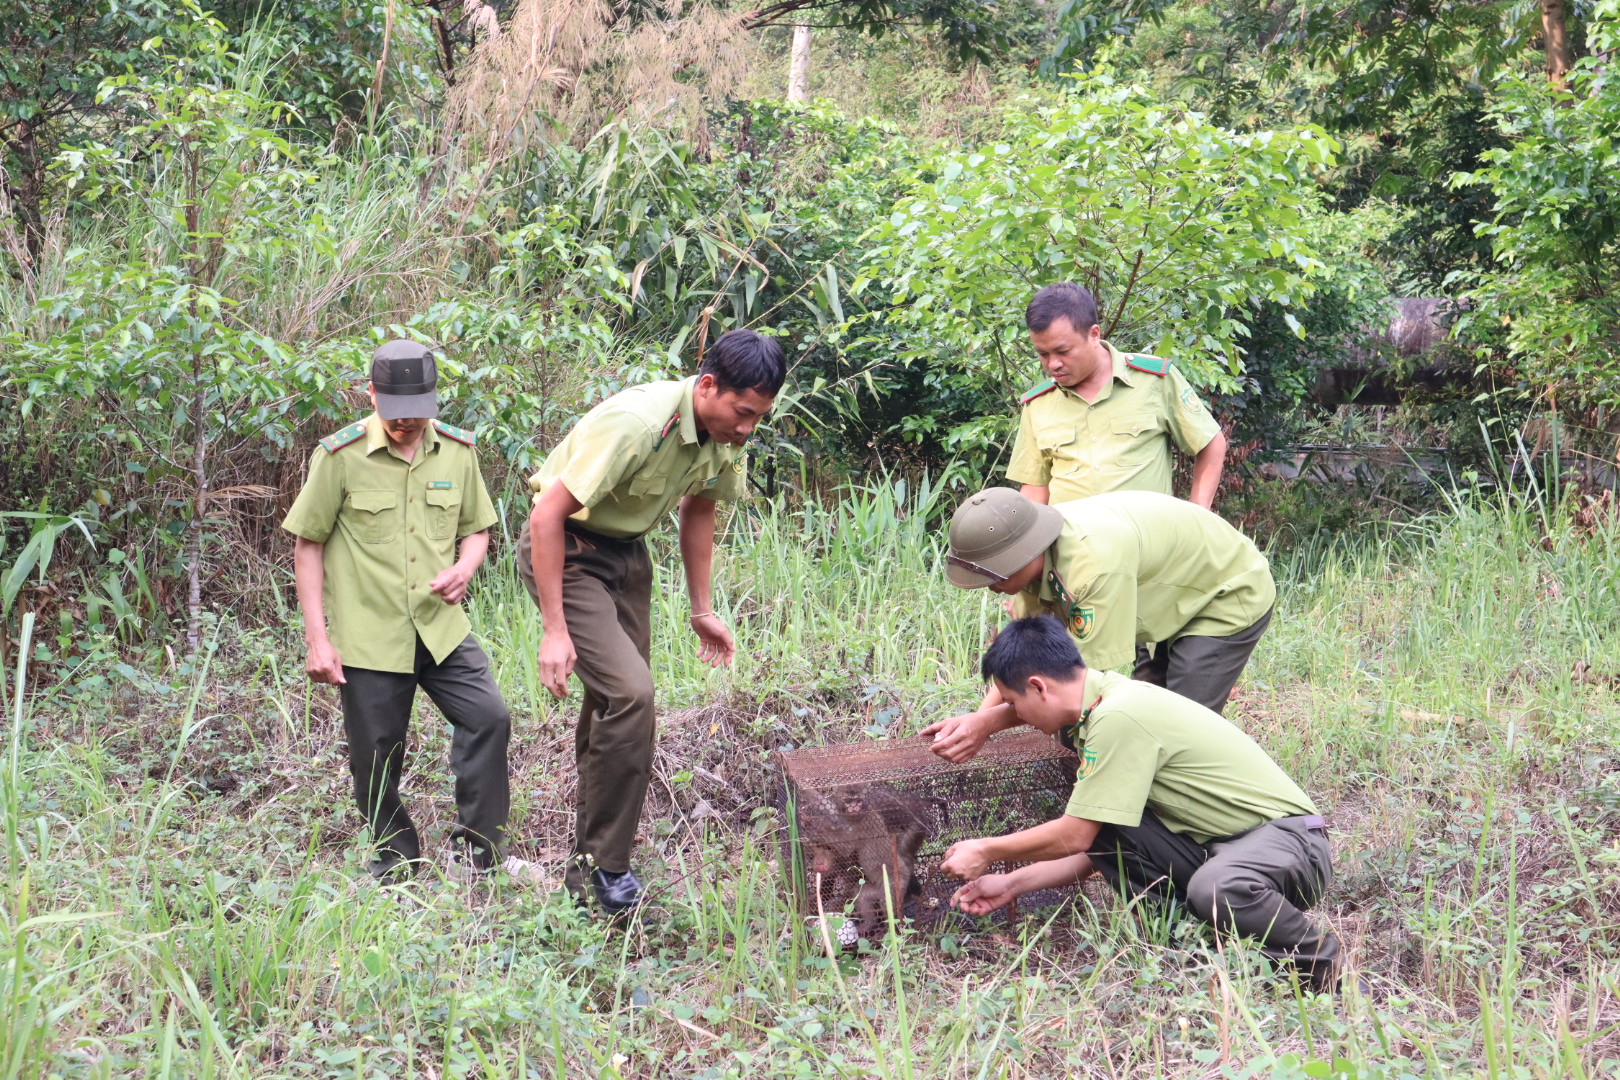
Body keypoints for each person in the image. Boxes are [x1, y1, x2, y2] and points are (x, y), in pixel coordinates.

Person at [518, 328, 785, 914]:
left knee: (612, 703)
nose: (746, 429)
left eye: (758, 418)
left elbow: (699, 511)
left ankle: (586, 864)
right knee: (633, 696)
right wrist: (555, 630)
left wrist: (702, 610)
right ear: (708, 385)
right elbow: (545, 515)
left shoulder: (723, 434)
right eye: (741, 412)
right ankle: (609, 871)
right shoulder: (638, 424)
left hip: (626, 558)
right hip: (569, 550)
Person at [939, 615, 1342, 991]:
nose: (1012, 713)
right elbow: (1096, 844)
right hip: (1227, 846)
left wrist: (986, 849)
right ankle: (1199, 956)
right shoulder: (1097, 710)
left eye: (1011, 701)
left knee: (1217, 887)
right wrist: (1011, 883)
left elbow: (1074, 836)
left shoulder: (1118, 716)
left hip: (1293, 845)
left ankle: (1326, 971)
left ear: (1039, 687)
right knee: (1109, 823)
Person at [283, 339, 535, 883]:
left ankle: (479, 854)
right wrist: (317, 639)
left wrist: (466, 568)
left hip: (441, 629)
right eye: (396, 413)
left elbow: (477, 530)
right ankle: (396, 857)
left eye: (418, 411)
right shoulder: (339, 457)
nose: (407, 423)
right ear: (371, 395)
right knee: (375, 753)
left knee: (489, 718)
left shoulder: (457, 452)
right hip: (370, 631)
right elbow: (308, 544)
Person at [929, 487, 1271, 762]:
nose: (987, 585)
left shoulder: (1091, 569)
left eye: (991, 573)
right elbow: (1026, 661)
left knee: (1181, 725)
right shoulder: (1034, 562)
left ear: (1022, 554)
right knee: (1143, 712)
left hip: (1224, 589)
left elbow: (1072, 687)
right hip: (1160, 593)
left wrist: (988, 724)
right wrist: (975, 721)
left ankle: (1182, 827)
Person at [1006, 282, 1227, 509]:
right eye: (1043, 354)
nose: (1053, 364)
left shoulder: (1154, 380)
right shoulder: (1038, 404)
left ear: (1093, 334)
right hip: (1072, 542)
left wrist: (1197, 516)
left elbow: (1210, 443)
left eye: (1063, 352)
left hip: (1147, 541)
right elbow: (1036, 487)